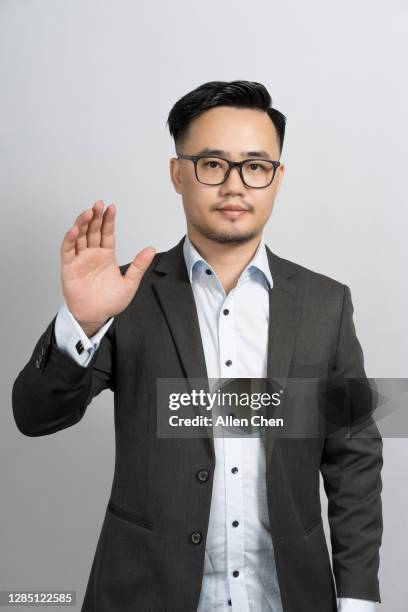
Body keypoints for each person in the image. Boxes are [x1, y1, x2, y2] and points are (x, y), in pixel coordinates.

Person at [12, 80, 382, 612]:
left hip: (289, 596)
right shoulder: (126, 296)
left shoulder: (328, 304)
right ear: (177, 173)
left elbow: (354, 456)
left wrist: (358, 597)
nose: (235, 185)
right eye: (212, 163)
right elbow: (35, 415)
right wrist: (82, 323)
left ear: (277, 178)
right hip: (144, 594)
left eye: (255, 166)